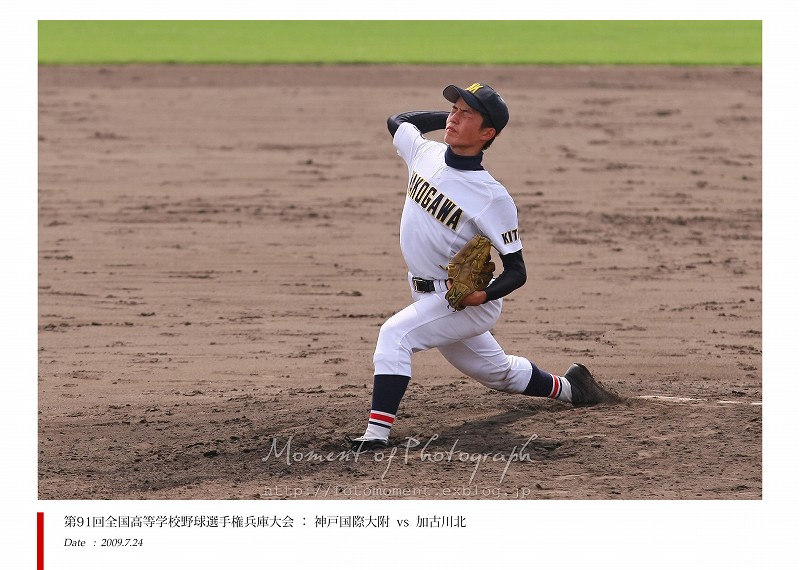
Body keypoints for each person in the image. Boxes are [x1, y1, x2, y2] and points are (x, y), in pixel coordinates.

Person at [347, 82, 614, 451]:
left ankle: (376, 437)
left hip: (463, 303)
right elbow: (400, 121)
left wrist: (481, 295)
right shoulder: (425, 153)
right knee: (498, 373)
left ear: (488, 133)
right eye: (453, 110)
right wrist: (452, 118)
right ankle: (573, 388)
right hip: (428, 293)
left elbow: (517, 270)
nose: (454, 117)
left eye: (465, 114)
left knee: (395, 336)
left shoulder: (492, 197)